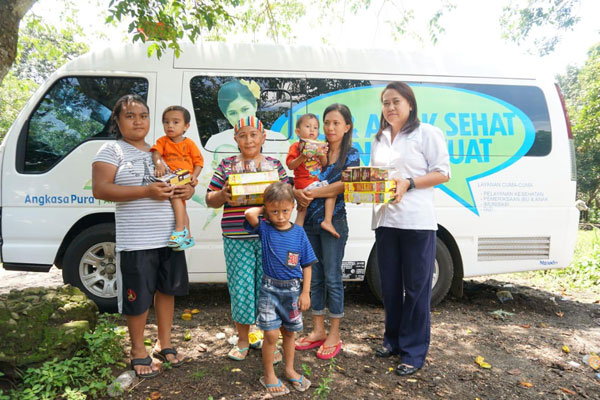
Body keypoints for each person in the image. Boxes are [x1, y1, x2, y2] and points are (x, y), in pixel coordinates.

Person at [92, 94, 194, 378]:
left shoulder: (161, 150)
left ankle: (164, 343)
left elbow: (181, 184)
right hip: (136, 240)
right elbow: (100, 189)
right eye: (130, 116)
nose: (138, 121)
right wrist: (146, 191)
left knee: (167, 290)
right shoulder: (112, 150)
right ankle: (138, 350)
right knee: (137, 298)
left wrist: (188, 190)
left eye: (143, 115)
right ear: (117, 120)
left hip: (171, 238)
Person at [370, 81, 450, 376]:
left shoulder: (427, 133)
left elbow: (443, 172)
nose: (390, 107)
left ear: (410, 104)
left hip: (416, 222)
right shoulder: (378, 138)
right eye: (385, 102)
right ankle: (392, 340)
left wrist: (410, 183)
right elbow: (374, 177)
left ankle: (414, 352)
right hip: (385, 221)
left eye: (396, 102)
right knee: (389, 288)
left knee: (416, 289)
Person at [205, 116, 288, 362]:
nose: (249, 139)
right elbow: (210, 199)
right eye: (243, 135)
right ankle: (243, 339)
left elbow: (286, 199)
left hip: (268, 237)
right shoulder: (227, 165)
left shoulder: (274, 166)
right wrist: (222, 195)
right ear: (236, 140)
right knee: (241, 288)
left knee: (268, 289)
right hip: (236, 237)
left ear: (263, 137)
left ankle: (267, 341)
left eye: (254, 134)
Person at [294, 104, 359, 359]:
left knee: (333, 277)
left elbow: (344, 185)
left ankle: (334, 333)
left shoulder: (351, 154)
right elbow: (297, 175)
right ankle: (318, 330)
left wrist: (312, 192)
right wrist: (296, 191)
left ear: (347, 127)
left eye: (336, 123)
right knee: (315, 277)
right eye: (327, 123)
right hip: (308, 220)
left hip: (334, 223)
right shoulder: (314, 148)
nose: (330, 128)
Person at [245, 182, 315, 396]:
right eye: (274, 211)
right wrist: (265, 208)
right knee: (272, 335)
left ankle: (290, 370)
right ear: (267, 209)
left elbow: (307, 264)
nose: (281, 216)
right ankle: (268, 375)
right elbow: (249, 213)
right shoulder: (265, 229)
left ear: (293, 207)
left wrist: (305, 292)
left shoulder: (299, 233)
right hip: (269, 290)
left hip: (293, 292)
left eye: (285, 210)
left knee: (290, 333)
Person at [151, 105, 204, 250]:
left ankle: (180, 230)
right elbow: (156, 153)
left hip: (184, 179)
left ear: (186, 126)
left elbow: (198, 162)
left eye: (175, 122)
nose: (170, 126)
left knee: (176, 198)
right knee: (181, 207)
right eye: (166, 122)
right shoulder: (163, 141)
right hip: (170, 178)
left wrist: (194, 176)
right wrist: (159, 163)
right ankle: (188, 238)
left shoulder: (189, 144)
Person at [286, 113, 339, 238]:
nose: (312, 130)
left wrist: (321, 154)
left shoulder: (318, 145)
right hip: (304, 182)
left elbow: (325, 163)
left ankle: (296, 235)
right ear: (298, 131)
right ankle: (327, 220)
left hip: (314, 182)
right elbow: (290, 165)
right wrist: (303, 156)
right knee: (331, 191)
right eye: (308, 126)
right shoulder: (296, 146)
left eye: (315, 128)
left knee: (302, 210)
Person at [204, 79, 289, 153]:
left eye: (245, 109)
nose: (241, 117)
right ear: (225, 115)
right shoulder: (215, 143)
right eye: (232, 113)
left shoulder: (279, 141)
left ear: (255, 106)